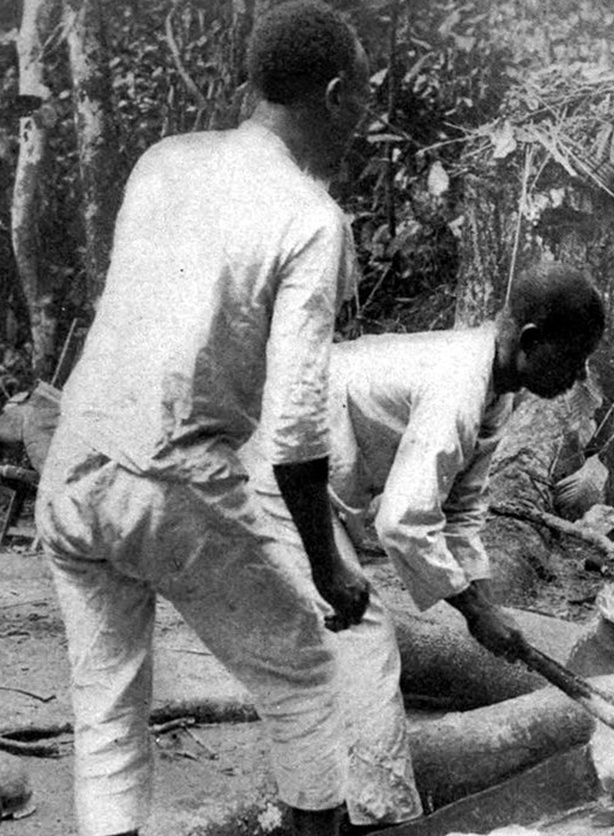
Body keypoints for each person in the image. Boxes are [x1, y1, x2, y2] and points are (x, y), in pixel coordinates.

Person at [35, 3, 374, 835]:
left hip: (74, 468)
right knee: (304, 678)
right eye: (363, 100)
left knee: (108, 710)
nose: (363, 120)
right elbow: (296, 438)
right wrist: (330, 571)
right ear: (334, 95)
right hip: (170, 481)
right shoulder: (310, 218)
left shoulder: (166, 160)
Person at [244, 262, 607, 827]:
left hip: (318, 473)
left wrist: (485, 605)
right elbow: (404, 522)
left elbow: (460, 510)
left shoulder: (496, 390)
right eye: (573, 358)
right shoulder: (459, 386)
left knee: (342, 641)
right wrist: (474, 611)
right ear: (531, 341)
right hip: (283, 469)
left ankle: (338, 805)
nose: (578, 375)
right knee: (362, 632)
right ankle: (381, 816)